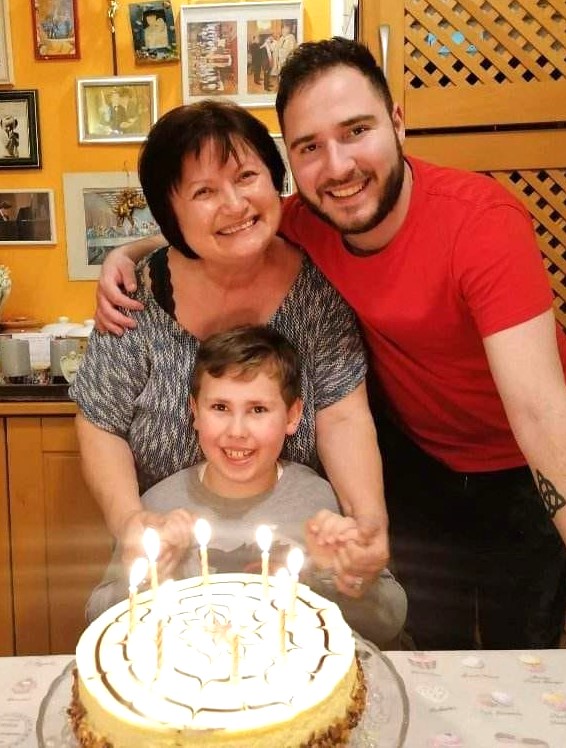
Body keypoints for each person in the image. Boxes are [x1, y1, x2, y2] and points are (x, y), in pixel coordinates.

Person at [95, 38, 566, 651]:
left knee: (522, 648)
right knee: (428, 643)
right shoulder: (307, 219)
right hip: (417, 461)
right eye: (310, 147)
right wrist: (126, 253)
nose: (338, 167)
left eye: (357, 131)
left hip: (524, 464)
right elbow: (221, 228)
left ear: (398, 122)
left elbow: (540, 411)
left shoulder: (477, 225)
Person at [71, 99, 388, 604]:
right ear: (170, 213)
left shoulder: (318, 286)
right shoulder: (135, 296)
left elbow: (343, 414)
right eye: (204, 191)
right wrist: (130, 521)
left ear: (275, 179)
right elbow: (99, 419)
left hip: (289, 581)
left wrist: (367, 523)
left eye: (246, 177)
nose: (235, 204)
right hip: (170, 577)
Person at [86, 325, 407, 647]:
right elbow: (97, 617)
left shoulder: (321, 503)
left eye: (258, 410)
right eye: (220, 408)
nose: (237, 431)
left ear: (292, 415)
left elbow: (389, 619)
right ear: (195, 411)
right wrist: (147, 577)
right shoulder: (159, 505)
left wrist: (335, 575)